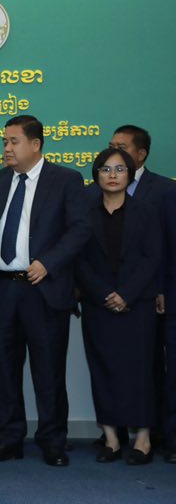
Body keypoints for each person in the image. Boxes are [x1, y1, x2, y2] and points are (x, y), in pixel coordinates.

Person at [0, 115, 89, 467]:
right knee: (4, 369)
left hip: (42, 289)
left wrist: (49, 262)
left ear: (35, 144)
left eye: (14, 141)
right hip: (1, 288)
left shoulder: (65, 180)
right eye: (4, 141)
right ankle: (8, 439)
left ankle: (52, 441)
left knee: (48, 370)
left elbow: (80, 230)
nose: (6, 148)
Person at [77, 148, 160, 465]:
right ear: (96, 174)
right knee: (103, 369)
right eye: (105, 169)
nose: (112, 175)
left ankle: (143, 440)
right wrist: (104, 294)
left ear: (130, 174)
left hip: (137, 305)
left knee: (140, 371)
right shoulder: (85, 212)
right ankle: (111, 439)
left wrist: (126, 294)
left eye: (120, 169)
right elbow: (79, 260)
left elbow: (153, 257)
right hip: (98, 304)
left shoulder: (146, 211)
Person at [106, 125, 176, 463]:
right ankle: (116, 433)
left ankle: (167, 437)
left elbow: (168, 247)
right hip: (111, 297)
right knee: (116, 364)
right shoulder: (99, 190)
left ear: (141, 154)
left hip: (153, 294)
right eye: (111, 146)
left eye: (122, 147)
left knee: (158, 367)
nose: (115, 152)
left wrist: (161, 287)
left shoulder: (164, 190)